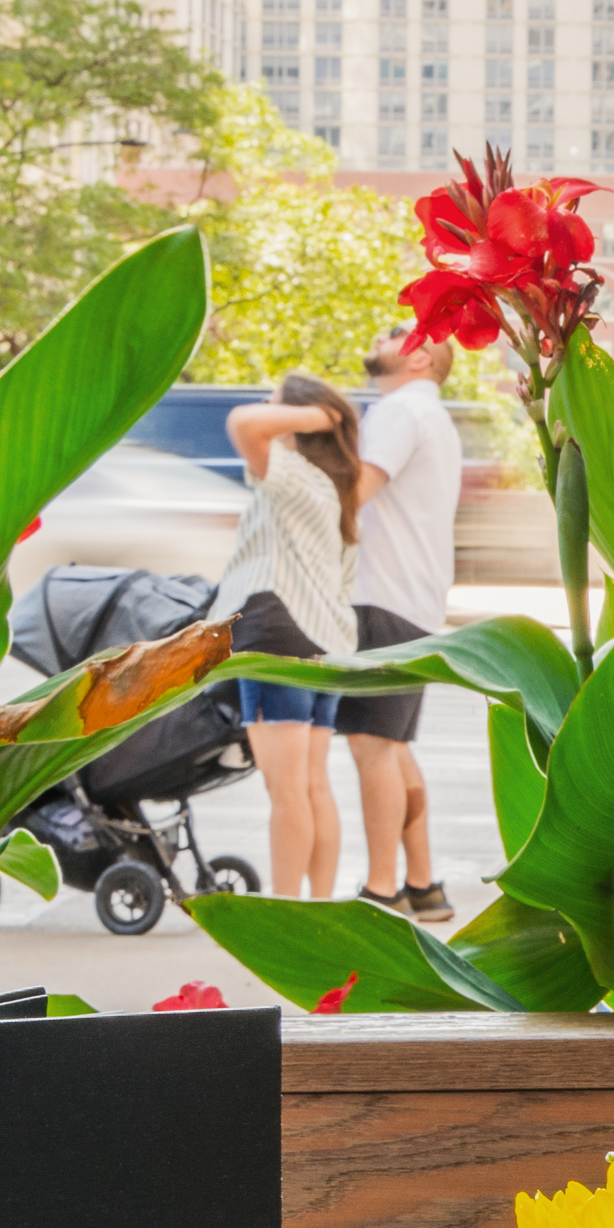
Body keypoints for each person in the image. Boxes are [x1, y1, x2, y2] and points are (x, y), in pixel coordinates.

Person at [221, 371, 368, 901]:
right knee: (312, 786)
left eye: (276, 402)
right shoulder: (335, 492)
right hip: (327, 645)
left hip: (275, 634)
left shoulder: (290, 474)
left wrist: (321, 414)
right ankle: (318, 908)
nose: (266, 407)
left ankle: (283, 912)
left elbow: (243, 424)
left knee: (285, 791)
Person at [342, 324, 461, 922]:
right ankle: (422, 884)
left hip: (382, 597)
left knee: (373, 746)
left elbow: (354, 494)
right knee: (394, 746)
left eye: (395, 333)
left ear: (418, 356)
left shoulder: (398, 411)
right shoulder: (433, 417)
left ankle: (381, 890)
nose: (381, 336)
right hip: (414, 600)